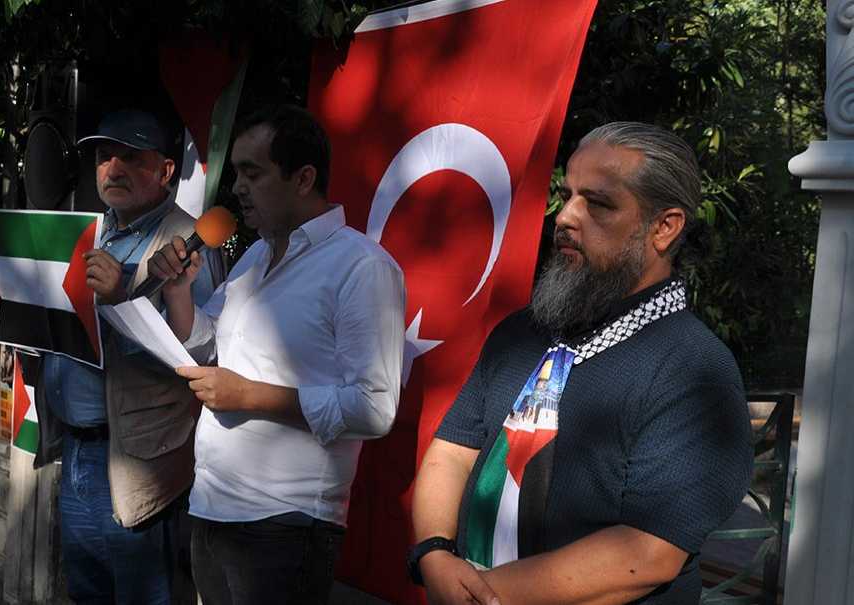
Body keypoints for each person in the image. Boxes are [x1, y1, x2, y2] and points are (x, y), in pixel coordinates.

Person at [408, 122, 753, 605]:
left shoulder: (694, 370)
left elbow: (649, 553)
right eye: (567, 194)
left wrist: (475, 596)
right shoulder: (521, 332)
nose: (566, 216)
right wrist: (434, 553)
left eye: (599, 203)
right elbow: (452, 451)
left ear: (664, 227)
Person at [147, 104, 406, 605]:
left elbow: (375, 408)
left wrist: (249, 396)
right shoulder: (256, 255)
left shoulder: (362, 268)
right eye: (237, 172)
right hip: (211, 507)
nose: (238, 187)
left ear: (303, 178)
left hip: (284, 526)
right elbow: (208, 344)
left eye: (253, 172)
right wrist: (179, 293)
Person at [0, 109, 218, 604]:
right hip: (78, 452)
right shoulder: (86, 231)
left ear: (167, 171)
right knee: (87, 594)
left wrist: (121, 293)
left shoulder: (189, 242)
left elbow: (201, 355)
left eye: (131, 157)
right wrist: (8, 300)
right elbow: (58, 332)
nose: (113, 168)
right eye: (105, 157)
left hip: (141, 463)